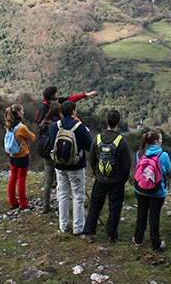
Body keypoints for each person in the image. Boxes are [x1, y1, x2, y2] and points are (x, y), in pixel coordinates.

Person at [82, 110, 131, 243]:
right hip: (117, 180)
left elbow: (91, 159)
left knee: (95, 205)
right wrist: (123, 178)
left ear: (106, 122)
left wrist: (97, 173)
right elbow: (127, 164)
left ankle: (89, 232)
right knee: (114, 207)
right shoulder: (122, 141)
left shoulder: (97, 139)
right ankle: (111, 235)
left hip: (100, 179)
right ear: (119, 123)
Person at [48, 100, 93, 235]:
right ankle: (78, 227)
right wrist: (87, 133)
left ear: (61, 112)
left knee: (62, 194)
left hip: (59, 165)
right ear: (73, 111)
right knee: (78, 195)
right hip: (76, 166)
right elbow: (89, 146)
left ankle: (63, 226)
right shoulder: (79, 127)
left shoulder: (54, 126)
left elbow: (52, 143)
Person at [132, 130, 171, 251]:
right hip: (157, 191)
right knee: (154, 216)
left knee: (141, 213)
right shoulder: (163, 155)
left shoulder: (140, 153)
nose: (161, 141)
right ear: (156, 141)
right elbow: (167, 169)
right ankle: (155, 243)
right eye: (160, 139)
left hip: (141, 189)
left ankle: (138, 239)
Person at [4, 104, 35, 209]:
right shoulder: (22, 127)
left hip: (12, 155)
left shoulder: (9, 125)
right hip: (22, 156)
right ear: (18, 113)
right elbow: (32, 138)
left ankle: (12, 202)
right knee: (21, 179)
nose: (23, 113)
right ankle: (23, 202)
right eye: (22, 111)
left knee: (13, 178)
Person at [37, 101, 61, 214]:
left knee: (48, 181)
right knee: (60, 181)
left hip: (46, 154)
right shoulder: (58, 124)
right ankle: (60, 203)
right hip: (57, 155)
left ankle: (46, 204)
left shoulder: (43, 123)